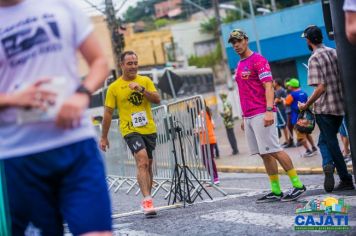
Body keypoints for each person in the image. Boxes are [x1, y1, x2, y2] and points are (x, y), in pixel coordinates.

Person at [0, 0, 112, 235]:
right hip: (19, 157)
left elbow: (100, 62)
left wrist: (81, 95)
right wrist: (12, 98)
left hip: (75, 145)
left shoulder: (60, 5)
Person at [228, 29, 306, 203]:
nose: (236, 45)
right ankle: (276, 191)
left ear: (246, 40)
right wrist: (243, 117)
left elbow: (268, 86)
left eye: (238, 41)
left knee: (275, 149)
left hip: (262, 113)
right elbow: (243, 92)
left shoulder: (258, 60)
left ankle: (298, 185)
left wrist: (269, 110)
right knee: (265, 154)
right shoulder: (239, 65)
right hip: (249, 116)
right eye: (233, 43)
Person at [100, 51, 160, 217]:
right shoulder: (114, 88)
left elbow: (157, 99)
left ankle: (148, 196)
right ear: (122, 65)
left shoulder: (145, 81)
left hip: (148, 129)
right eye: (129, 63)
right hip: (130, 129)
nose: (133, 66)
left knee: (148, 163)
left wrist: (141, 89)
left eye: (135, 63)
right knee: (141, 160)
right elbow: (108, 114)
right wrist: (104, 137)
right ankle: (147, 201)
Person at [299, 25, 354, 192]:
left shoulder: (314, 58)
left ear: (308, 40)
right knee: (325, 140)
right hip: (340, 105)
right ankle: (330, 166)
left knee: (330, 143)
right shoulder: (334, 51)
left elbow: (321, 87)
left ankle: (343, 176)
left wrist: (306, 104)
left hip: (324, 108)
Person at [284, 78, 317, 157]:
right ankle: (313, 147)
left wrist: (282, 100)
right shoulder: (304, 92)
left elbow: (286, 103)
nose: (288, 87)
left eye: (289, 85)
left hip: (296, 118)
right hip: (306, 116)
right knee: (307, 133)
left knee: (301, 136)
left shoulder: (292, 95)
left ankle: (308, 151)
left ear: (292, 86)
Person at [198, 103, 220, 185]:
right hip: (212, 139)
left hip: (205, 140)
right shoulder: (208, 113)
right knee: (210, 159)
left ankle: (213, 178)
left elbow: (201, 128)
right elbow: (213, 126)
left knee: (205, 160)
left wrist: (195, 131)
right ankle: (215, 178)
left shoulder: (201, 115)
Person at [273, 79, 289, 147]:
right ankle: (286, 140)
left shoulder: (279, 90)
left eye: (273, 82)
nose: (272, 83)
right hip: (280, 109)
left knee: (284, 125)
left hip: (282, 109)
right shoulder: (277, 90)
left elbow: (276, 101)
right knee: (283, 125)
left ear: (277, 83)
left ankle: (287, 140)